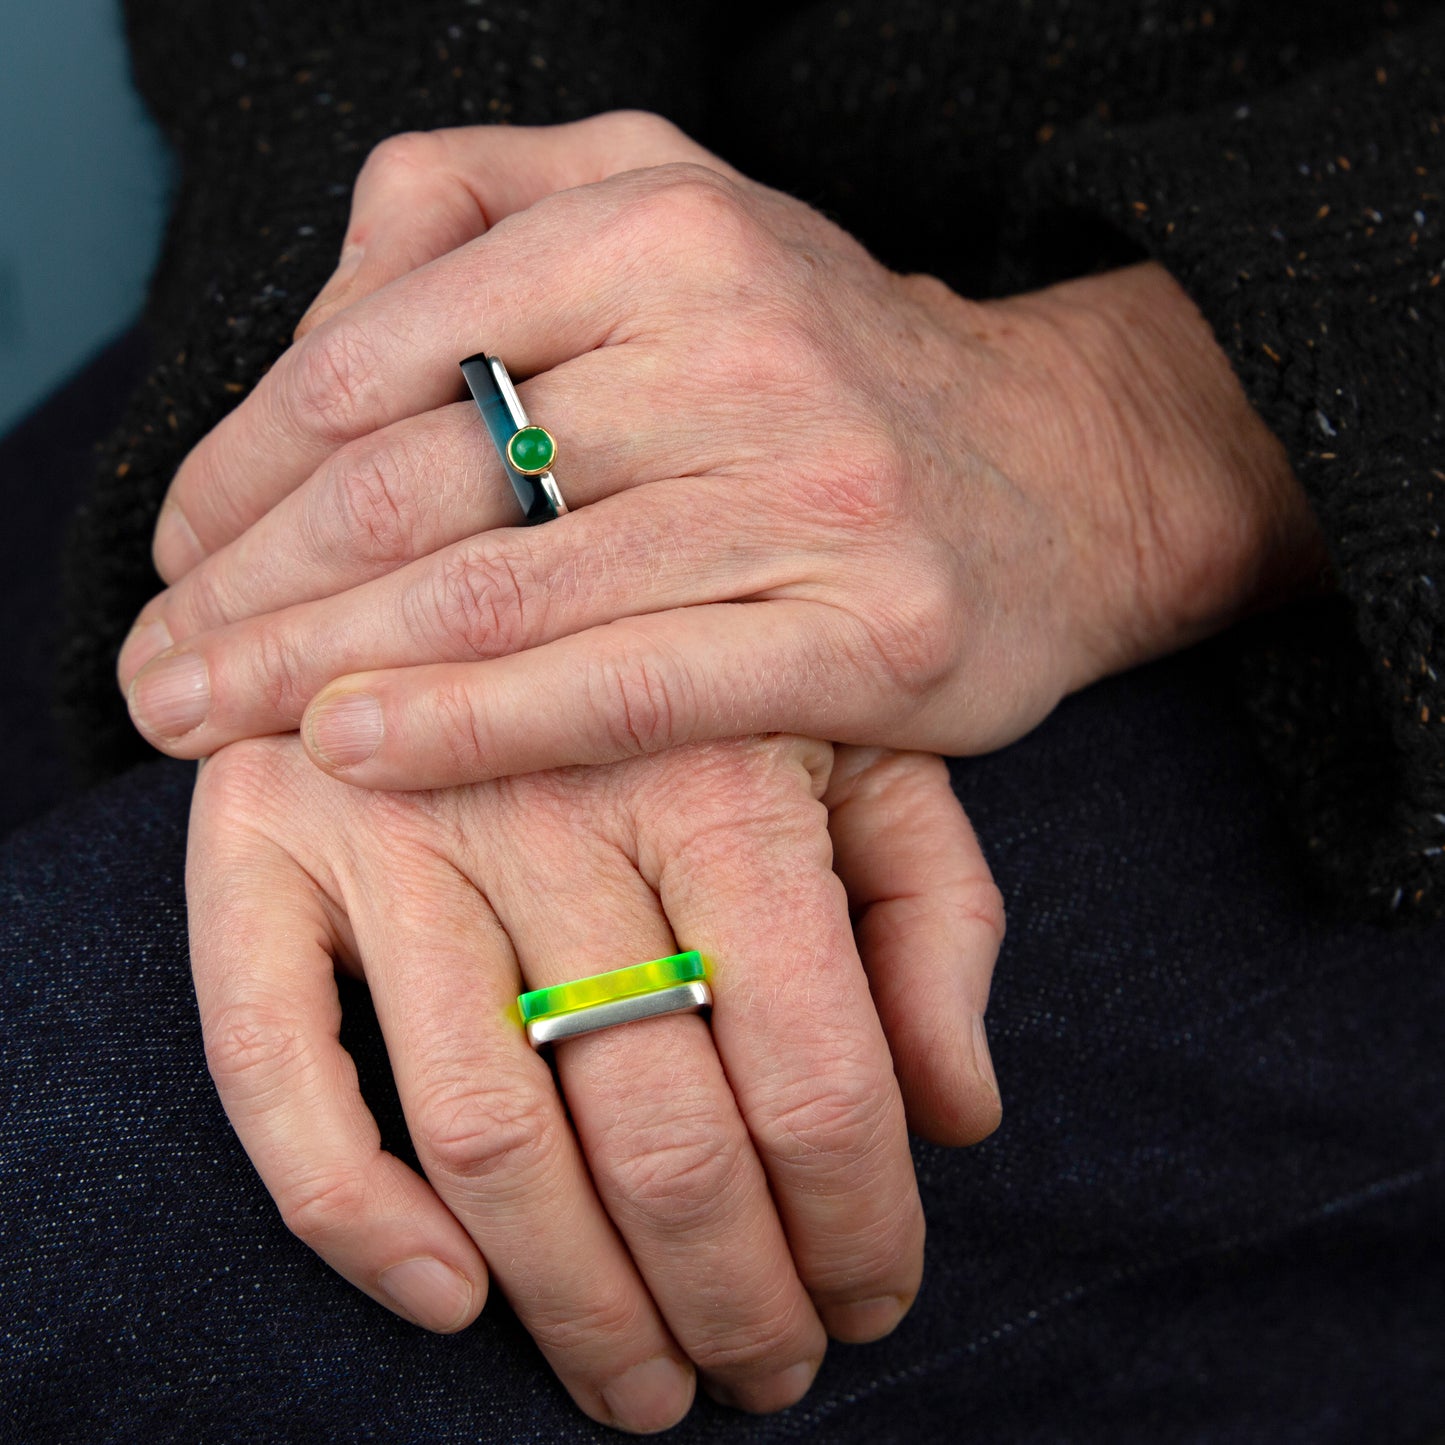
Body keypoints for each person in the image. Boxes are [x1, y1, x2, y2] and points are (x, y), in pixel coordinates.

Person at [6, 1, 1443, 1440]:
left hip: (1335, 513)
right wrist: (448, 280)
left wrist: (1126, 422)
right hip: (642, 286)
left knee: (79, 1192)